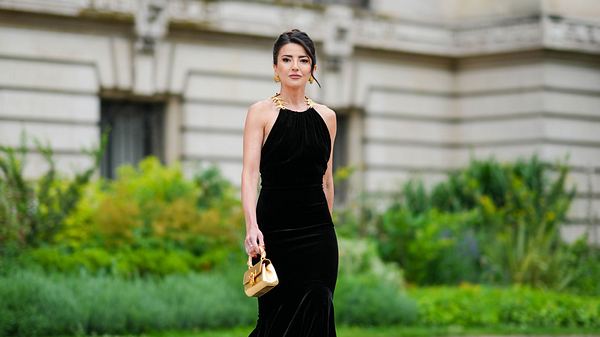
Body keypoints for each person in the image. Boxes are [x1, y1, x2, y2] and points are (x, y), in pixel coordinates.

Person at [241, 28, 339, 337]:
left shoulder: (328, 117)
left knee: (319, 307)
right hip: (276, 233)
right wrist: (251, 227)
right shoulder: (260, 113)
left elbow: (326, 180)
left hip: (318, 236)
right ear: (275, 68)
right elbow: (249, 174)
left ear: (312, 69)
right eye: (287, 59)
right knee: (278, 319)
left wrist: (327, 227)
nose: (295, 66)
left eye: (303, 60)